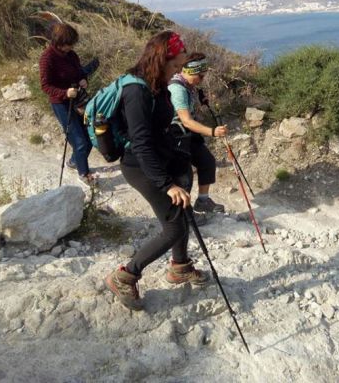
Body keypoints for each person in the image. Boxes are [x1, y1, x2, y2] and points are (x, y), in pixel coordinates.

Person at [105, 31, 209, 311]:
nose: (177, 72)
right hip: (140, 166)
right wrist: (167, 184)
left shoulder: (156, 83)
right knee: (174, 225)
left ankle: (180, 267)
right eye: (175, 66)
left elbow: (159, 128)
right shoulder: (136, 90)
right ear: (163, 59)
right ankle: (125, 275)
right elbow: (140, 143)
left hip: (161, 159)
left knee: (182, 212)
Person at [168, 52, 228, 216]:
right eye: (199, 76)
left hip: (188, 135)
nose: (201, 79)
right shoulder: (177, 89)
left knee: (207, 161)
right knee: (184, 176)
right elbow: (186, 120)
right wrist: (212, 132)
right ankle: (183, 215)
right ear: (187, 71)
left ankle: (202, 201)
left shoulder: (188, 86)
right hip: (176, 137)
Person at [39, 23, 95, 186]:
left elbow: (78, 73)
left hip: (78, 100)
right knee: (79, 140)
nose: (71, 47)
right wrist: (65, 93)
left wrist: (82, 80)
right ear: (59, 42)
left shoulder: (71, 55)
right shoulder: (47, 58)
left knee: (89, 137)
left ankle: (73, 161)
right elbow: (45, 86)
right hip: (61, 104)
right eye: (68, 44)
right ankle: (84, 174)